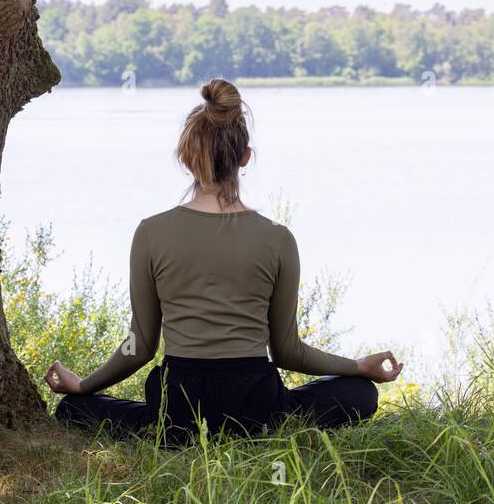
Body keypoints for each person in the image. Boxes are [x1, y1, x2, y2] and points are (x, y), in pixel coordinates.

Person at [46, 78, 402, 444]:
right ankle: (246, 430)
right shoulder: (278, 239)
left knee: (75, 409)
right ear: (245, 156)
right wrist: (359, 367)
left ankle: (163, 430)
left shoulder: (150, 232)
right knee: (360, 394)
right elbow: (287, 351)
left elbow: (141, 346)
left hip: (180, 407)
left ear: (186, 156)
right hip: (254, 407)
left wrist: (84, 385)